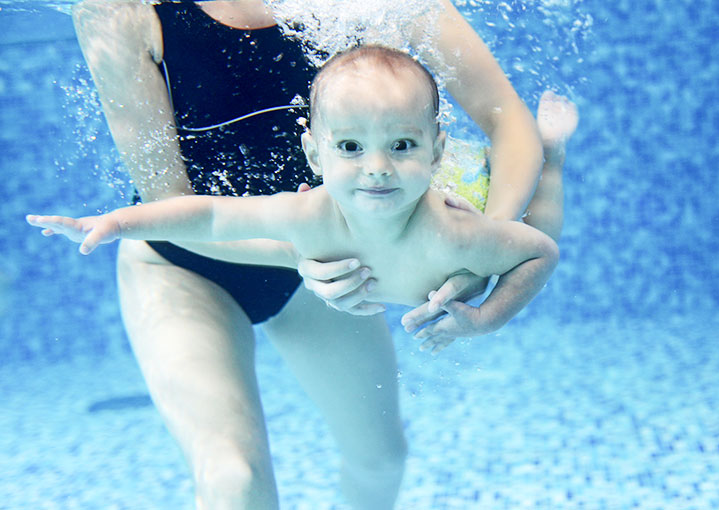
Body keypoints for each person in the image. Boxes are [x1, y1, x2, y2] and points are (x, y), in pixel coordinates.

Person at [65, 1, 554, 508]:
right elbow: (178, 209)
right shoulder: (118, 11)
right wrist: (303, 255)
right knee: (232, 477)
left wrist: (482, 244)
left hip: (330, 262)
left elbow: (508, 121)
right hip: (184, 267)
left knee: (381, 459)